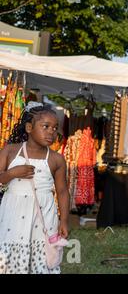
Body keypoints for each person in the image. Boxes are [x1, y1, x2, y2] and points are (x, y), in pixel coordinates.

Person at [0, 102, 70, 274]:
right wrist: (12, 173)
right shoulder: (10, 151)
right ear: (29, 127)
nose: (51, 132)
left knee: (41, 253)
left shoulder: (56, 159)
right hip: (14, 212)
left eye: (55, 128)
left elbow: (62, 191)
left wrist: (64, 220)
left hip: (43, 213)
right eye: (45, 126)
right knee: (11, 253)